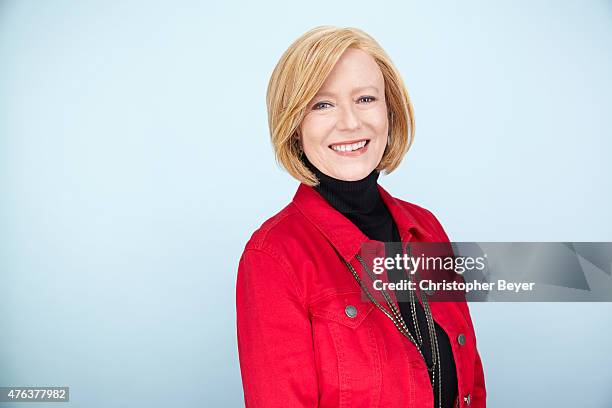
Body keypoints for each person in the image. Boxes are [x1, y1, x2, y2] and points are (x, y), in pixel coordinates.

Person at [236, 25, 486, 408]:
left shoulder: (427, 227)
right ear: (294, 126)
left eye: (366, 98)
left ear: (390, 110)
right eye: (322, 104)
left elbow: (471, 382)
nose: (350, 123)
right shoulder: (272, 259)